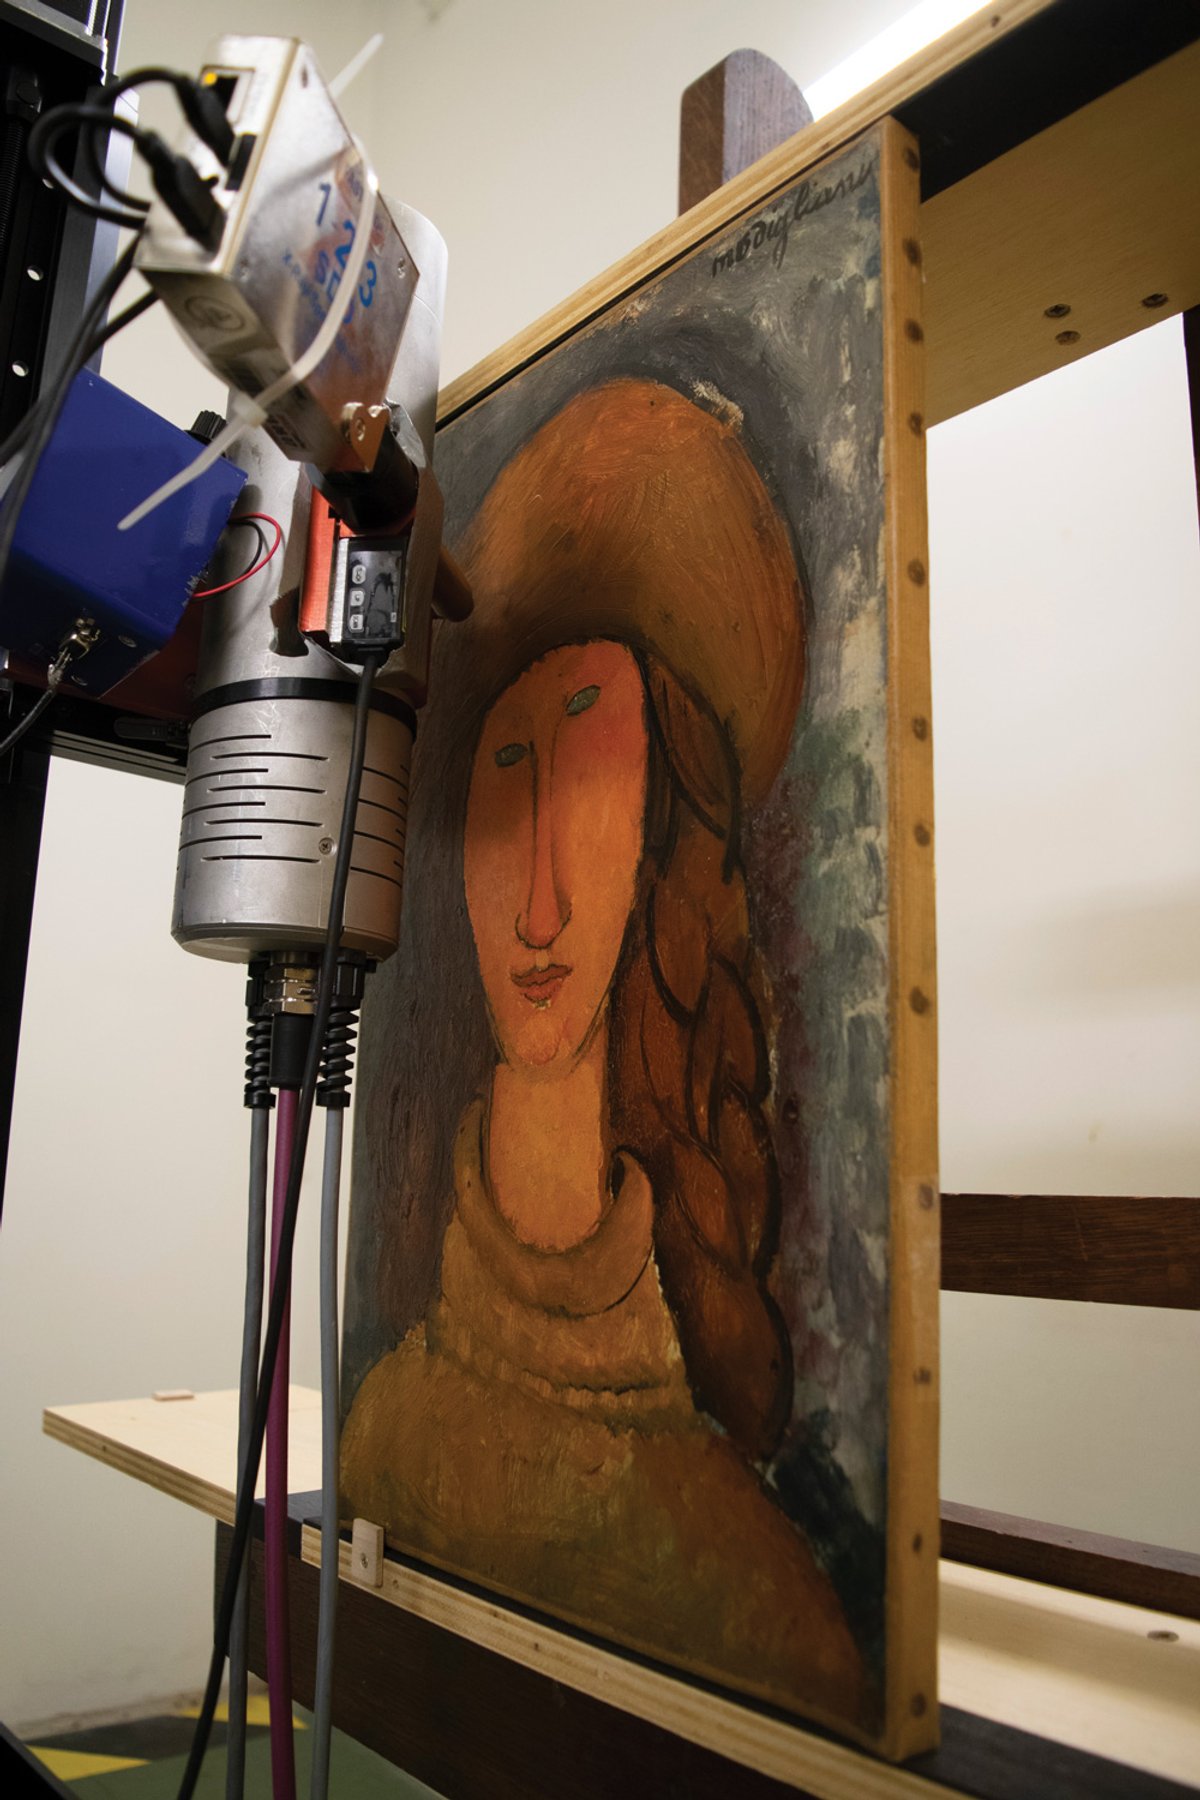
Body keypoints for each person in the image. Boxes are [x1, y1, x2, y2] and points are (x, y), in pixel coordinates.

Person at [342, 378, 867, 1727]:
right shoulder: (378, 1419)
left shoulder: (754, 1581)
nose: (538, 911)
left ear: (663, 828)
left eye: (587, 772)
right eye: (507, 771)